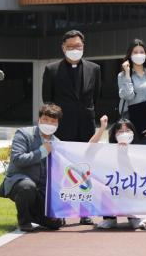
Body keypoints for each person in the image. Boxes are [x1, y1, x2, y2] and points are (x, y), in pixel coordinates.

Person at [41, 30, 101, 225]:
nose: (75, 49)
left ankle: (85, 211)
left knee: (86, 168)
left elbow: (96, 97)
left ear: (84, 47)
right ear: (63, 47)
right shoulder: (51, 70)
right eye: (71, 46)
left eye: (78, 46)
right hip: (62, 127)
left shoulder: (94, 69)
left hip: (86, 126)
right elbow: (47, 100)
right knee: (61, 169)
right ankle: (61, 211)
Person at [0, 103, 65, 232]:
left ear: (57, 124)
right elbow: (18, 159)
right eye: (45, 119)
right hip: (20, 182)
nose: (49, 124)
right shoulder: (23, 134)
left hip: (41, 189)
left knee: (55, 224)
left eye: (53, 121)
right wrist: (42, 152)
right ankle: (24, 221)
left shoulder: (58, 143)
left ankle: (35, 214)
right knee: (27, 187)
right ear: (39, 119)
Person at [94, 118, 146, 230]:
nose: (124, 134)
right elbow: (90, 146)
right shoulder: (107, 148)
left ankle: (135, 217)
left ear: (133, 133)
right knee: (105, 185)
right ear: (114, 135)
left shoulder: (141, 150)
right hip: (113, 185)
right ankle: (109, 218)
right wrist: (102, 128)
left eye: (127, 130)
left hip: (132, 186)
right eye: (120, 131)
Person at [117, 39, 146, 145]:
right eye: (135, 52)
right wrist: (127, 74)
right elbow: (128, 95)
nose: (139, 54)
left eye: (141, 52)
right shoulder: (122, 75)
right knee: (128, 152)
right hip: (129, 120)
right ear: (130, 55)